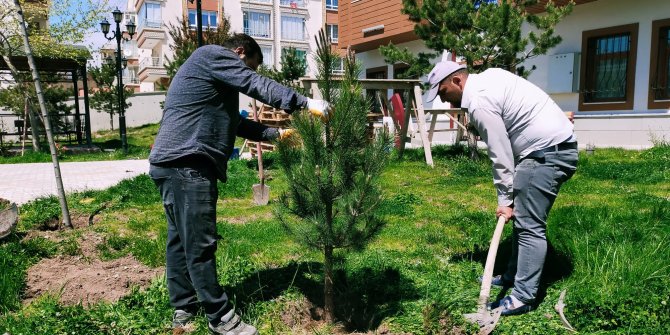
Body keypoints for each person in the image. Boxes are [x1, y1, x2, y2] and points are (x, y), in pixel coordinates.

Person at [149, 33, 330, 335]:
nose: (249, 74)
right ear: (239, 52)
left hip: (170, 164)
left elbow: (235, 122)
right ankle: (220, 318)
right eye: (251, 66)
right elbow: (257, 86)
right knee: (200, 244)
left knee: (180, 242)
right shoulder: (212, 55)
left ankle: (183, 308)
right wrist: (305, 102)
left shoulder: (211, 80)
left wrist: (277, 135)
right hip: (188, 164)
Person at [425, 61, 578, 316]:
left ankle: (523, 297)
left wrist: (505, 200)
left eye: (442, 92)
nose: (444, 100)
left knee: (529, 226)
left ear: (457, 81)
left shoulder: (479, 101)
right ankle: (512, 275)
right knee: (525, 221)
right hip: (552, 147)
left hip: (544, 155)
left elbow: (500, 153)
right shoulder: (490, 77)